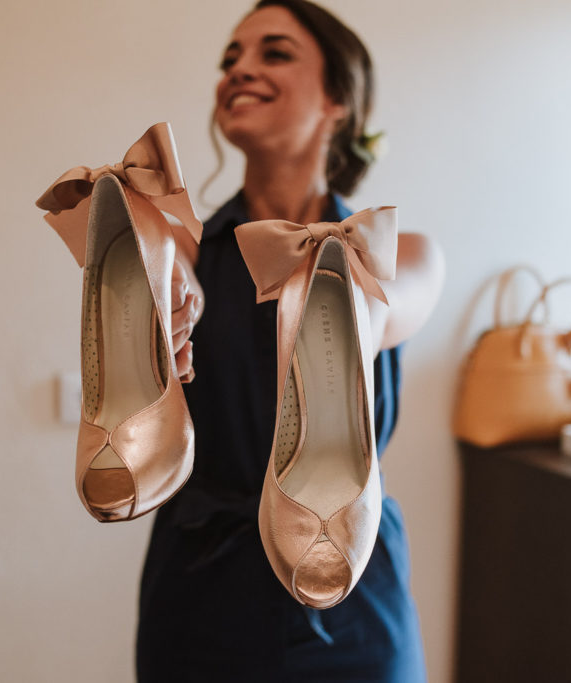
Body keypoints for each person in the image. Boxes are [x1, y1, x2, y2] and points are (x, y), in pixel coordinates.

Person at [137, 1, 445, 680]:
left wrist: (346, 300)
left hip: (351, 577)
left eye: (273, 53)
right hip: (203, 583)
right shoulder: (185, 250)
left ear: (338, 99)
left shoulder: (405, 254)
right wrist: (157, 268)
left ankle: (329, 298)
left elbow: (390, 307)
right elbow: (158, 268)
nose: (239, 70)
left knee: (359, 304)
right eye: (230, 59)